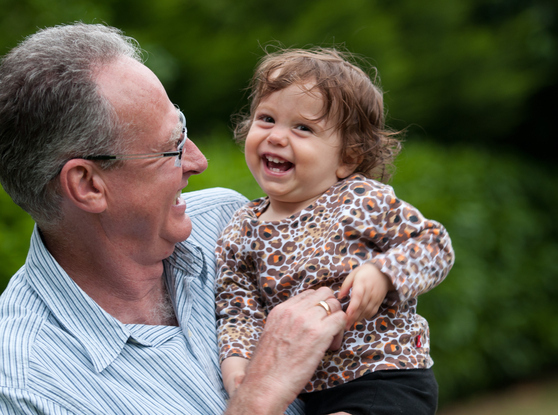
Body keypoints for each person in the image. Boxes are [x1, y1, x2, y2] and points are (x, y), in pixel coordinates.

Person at [0, 23, 348, 415]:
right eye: (171, 148)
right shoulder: (29, 387)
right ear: (88, 185)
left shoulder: (229, 223)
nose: (198, 161)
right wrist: (261, 395)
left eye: (182, 129)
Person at [215, 48, 455, 415]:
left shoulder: (360, 199)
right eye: (266, 118)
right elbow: (238, 307)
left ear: (347, 157)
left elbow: (434, 245)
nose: (277, 136)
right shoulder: (241, 229)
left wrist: (383, 273)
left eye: (303, 128)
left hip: (384, 374)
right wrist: (237, 363)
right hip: (305, 390)